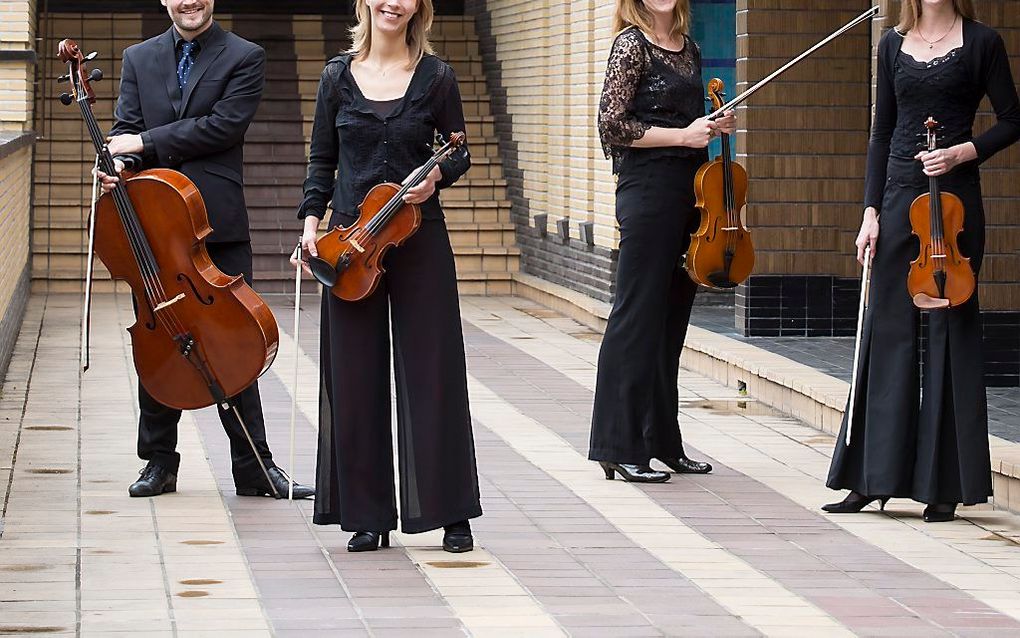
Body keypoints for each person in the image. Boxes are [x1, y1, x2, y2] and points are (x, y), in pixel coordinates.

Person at [95, 0, 314, 501]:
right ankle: (158, 463)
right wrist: (118, 166)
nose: (190, 1)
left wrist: (141, 144)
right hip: (151, 227)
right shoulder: (138, 57)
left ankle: (254, 466)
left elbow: (224, 126)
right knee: (158, 340)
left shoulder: (244, 55)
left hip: (213, 223)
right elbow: (123, 130)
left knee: (234, 340)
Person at [294, 0, 481, 553]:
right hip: (351, 246)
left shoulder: (437, 76)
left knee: (434, 371)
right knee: (353, 376)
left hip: (419, 240)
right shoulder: (336, 77)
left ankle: (450, 513)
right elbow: (320, 161)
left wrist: (436, 177)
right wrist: (310, 226)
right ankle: (367, 515)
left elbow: (460, 151)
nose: (392, 3)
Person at [824, 0, 1020, 522]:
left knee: (947, 333)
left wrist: (963, 152)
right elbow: (882, 131)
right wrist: (869, 211)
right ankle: (872, 478)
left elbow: (1013, 119)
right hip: (896, 200)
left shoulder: (982, 42)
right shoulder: (891, 43)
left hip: (954, 206)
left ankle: (944, 486)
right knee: (887, 331)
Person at [589, 0, 736, 483]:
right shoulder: (631, 45)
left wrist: (712, 128)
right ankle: (618, 445)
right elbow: (612, 125)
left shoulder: (688, 49)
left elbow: (691, 130)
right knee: (636, 316)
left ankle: (662, 443)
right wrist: (682, 136)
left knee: (672, 322)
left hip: (690, 194)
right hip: (647, 191)